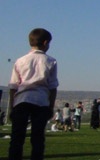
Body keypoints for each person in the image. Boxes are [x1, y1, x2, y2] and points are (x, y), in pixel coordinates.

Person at [8, 28, 59, 160]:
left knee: (17, 138)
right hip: (41, 101)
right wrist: (50, 107)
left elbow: (13, 86)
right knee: (37, 139)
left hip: (21, 100)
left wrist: (12, 107)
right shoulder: (51, 61)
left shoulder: (20, 61)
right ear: (46, 42)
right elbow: (52, 87)